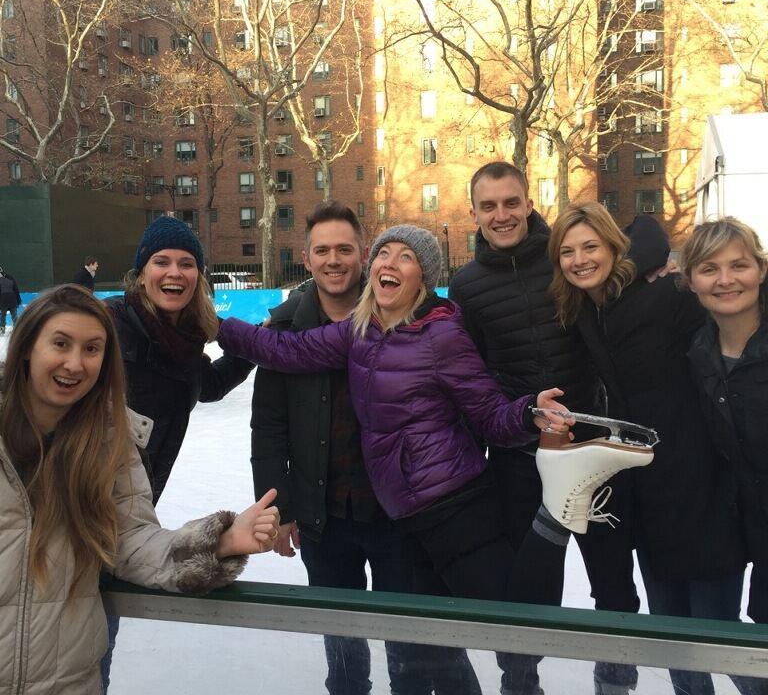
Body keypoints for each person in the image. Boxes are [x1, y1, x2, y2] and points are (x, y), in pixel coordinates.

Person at [220, 224, 654, 694]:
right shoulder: (359, 331)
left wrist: (529, 413)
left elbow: (488, 413)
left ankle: (556, 511)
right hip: (406, 518)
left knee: (512, 619)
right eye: (384, 253)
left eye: (405, 257)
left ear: (422, 277)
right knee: (427, 645)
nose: (390, 262)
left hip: (455, 503)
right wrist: (216, 326)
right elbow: (283, 349)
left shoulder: (442, 332)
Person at [0, 284, 280, 695]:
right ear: (27, 347)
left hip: (66, 681)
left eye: (92, 349)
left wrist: (219, 543)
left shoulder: (108, 439)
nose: (75, 363)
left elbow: (130, 540)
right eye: (60, 343)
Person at [252, 202, 481, 695]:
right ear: (307, 259)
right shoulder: (287, 326)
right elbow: (268, 426)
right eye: (322, 251)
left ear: (362, 256)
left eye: (344, 249)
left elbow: (460, 408)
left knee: (419, 646)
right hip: (323, 515)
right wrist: (281, 506)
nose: (334, 260)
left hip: (399, 515)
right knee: (344, 651)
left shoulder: (403, 314)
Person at [449, 162, 642, 695]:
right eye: (489, 206)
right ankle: (520, 682)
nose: (502, 215)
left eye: (511, 202)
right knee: (529, 587)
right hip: (519, 460)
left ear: (528, 202)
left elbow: (624, 261)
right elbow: (475, 376)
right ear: (474, 212)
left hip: (595, 451)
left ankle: (616, 682)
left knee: (613, 583)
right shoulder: (466, 285)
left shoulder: (564, 259)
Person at [548, 202, 746, 695]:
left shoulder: (665, 295)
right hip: (651, 493)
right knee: (671, 641)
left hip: (702, 491)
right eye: (568, 252)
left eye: (591, 246)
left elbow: (730, 311)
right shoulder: (589, 313)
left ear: (616, 248)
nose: (580, 260)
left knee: (720, 639)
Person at [101, 216, 254, 689]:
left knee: (94, 635)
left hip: (137, 504)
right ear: (140, 273)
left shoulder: (186, 340)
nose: (174, 272)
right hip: (84, 497)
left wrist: (252, 346)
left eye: (187, 263)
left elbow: (204, 387)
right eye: (161, 261)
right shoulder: (110, 325)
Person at [681, 218, 768, 627]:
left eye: (739, 265)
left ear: (761, 270)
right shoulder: (699, 351)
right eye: (710, 269)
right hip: (743, 525)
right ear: (692, 280)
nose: (726, 280)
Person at [0, 266, 22, 335]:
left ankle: (2, 328)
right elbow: (16, 290)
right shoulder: (10, 278)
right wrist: (18, 300)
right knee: (14, 315)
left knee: (3, 315)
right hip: (12, 300)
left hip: (3, 301)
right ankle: (16, 329)